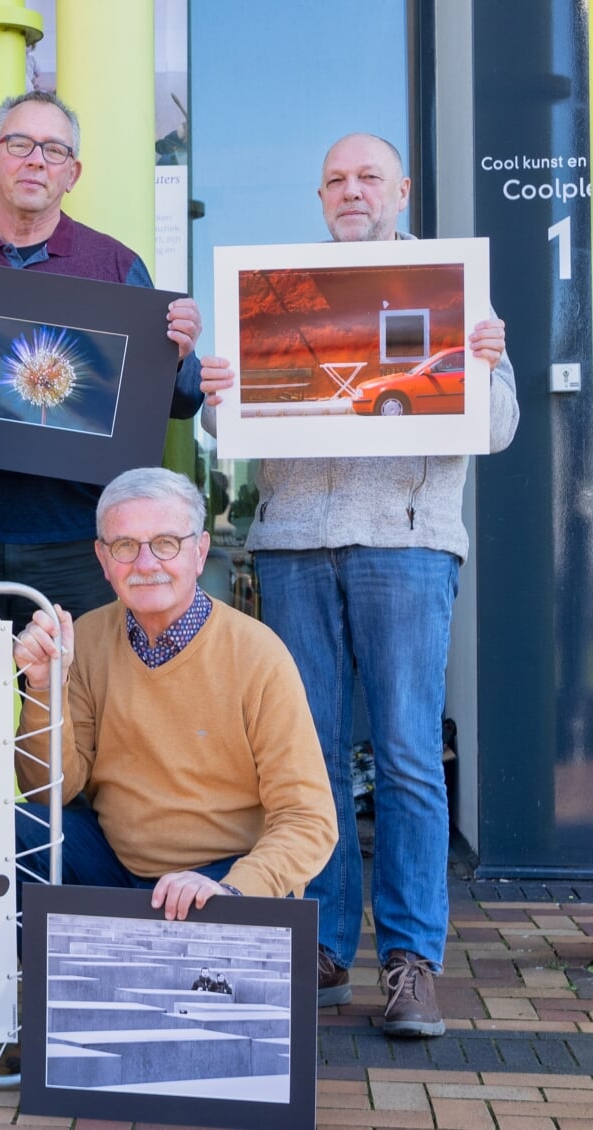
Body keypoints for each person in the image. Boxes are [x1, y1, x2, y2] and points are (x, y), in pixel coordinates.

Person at [198, 132, 520, 1038]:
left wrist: (487, 360)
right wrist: (223, 394)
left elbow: (494, 430)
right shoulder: (279, 291)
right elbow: (235, 432)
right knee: (311, 756)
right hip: (295, 545)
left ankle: (412, 962)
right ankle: (328, 947)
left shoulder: (452, 290)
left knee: (411, 756)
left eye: (368, 176)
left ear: (402, 189)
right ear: (319, 196)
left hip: (407, 545)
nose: (352, 191)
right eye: (336, 179)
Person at [0, 90, 206, 628]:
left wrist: (181, 351)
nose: (36, 159)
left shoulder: (116, 266)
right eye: (20, 143)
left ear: (72, 173)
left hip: (79, 546)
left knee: (74, 710)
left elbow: (184, 399)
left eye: (54, 150)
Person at [11, 468, 336, 918]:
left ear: (200, 552)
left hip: (221, 876)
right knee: (11, 832)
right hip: (113, 864)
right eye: (125, 546)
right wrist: (45, 687)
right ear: (103, 559)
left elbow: (309, 818)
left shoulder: (259, 654)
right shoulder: (85, 638)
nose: (146, 565)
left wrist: (237, 888)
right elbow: (48, 793)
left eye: (166, 543)